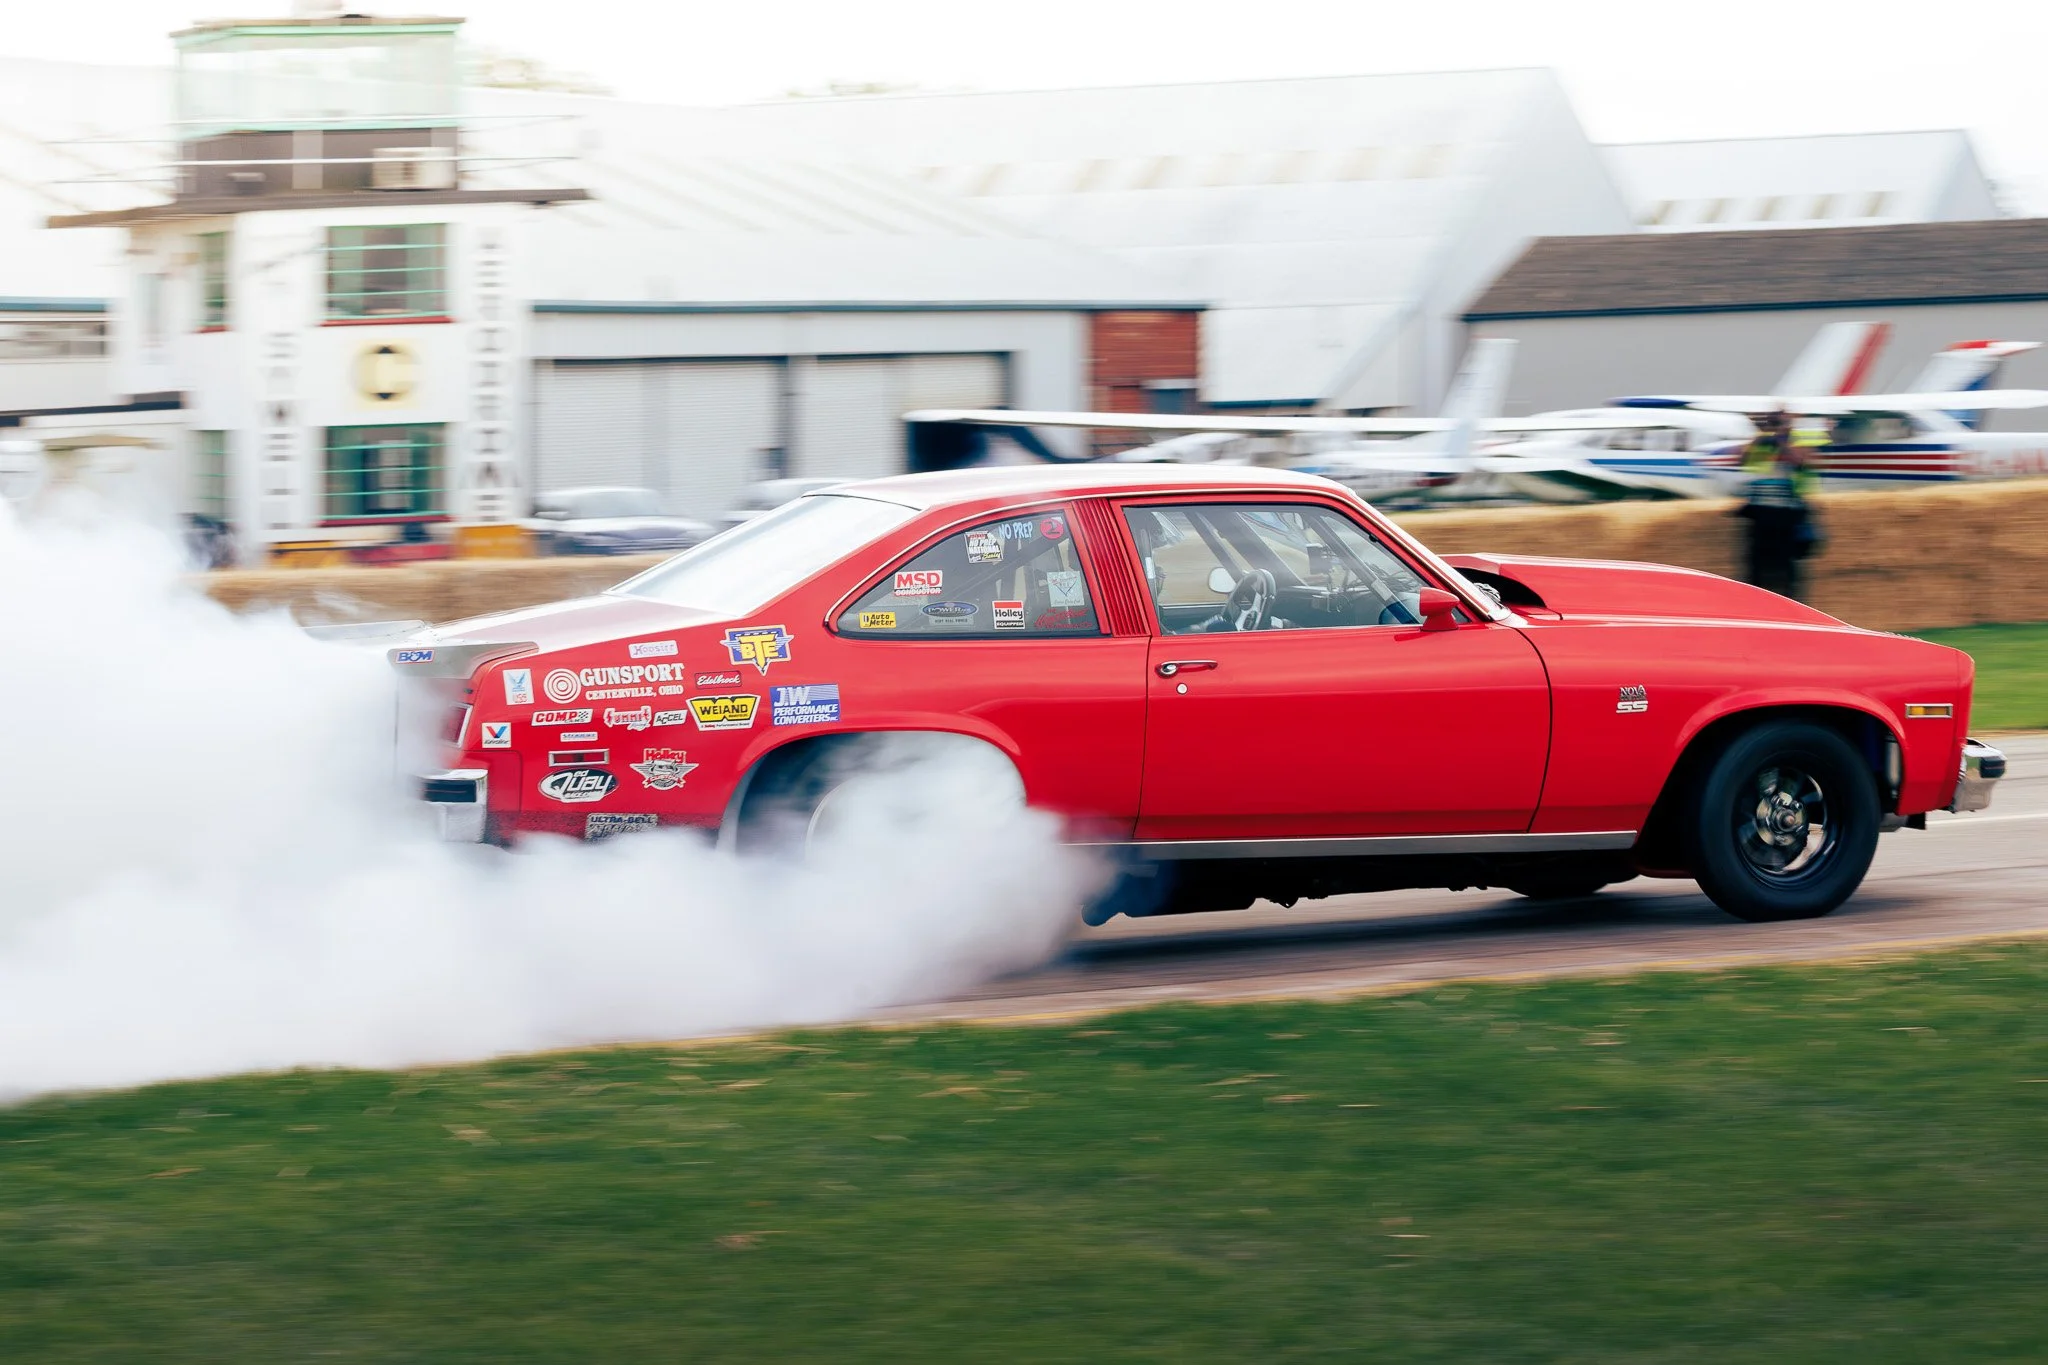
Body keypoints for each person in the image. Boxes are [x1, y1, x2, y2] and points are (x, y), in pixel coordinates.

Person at [1732, 408, 1821, 600]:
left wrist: (1782, 437)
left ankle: (1794, 608)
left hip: (1786, 517)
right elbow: (1742, 459)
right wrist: (1763, 434)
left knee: (1789, 572)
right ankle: (1754, 606)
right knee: (1755, 570)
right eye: (1773, 422)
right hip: (1761, 516)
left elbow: (1801, 461)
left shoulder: (1796, 443)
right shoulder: (1761, 443)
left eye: (1778, 422)